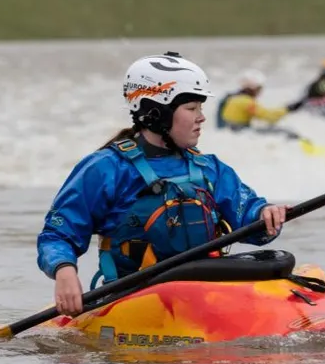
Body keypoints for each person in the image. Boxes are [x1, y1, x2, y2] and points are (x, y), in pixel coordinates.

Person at [36, 51, 289, 317]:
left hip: (207, 295)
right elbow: (57, 234)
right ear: (156, 113)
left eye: (200, 108)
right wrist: (64, 271)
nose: (201, 117)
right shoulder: (106, 169)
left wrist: (265, 214)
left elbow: (251, 219)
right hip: (134, 302)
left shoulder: (209, 168)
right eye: (191, 108)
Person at [216, 69, 300, 137]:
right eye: (259, 88)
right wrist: (288, 109)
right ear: (254, 88)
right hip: (240, 131)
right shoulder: (246, 101)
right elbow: (269, 117)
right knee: (286, 132)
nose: (260, 91)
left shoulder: (231, 98)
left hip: (233, 131)